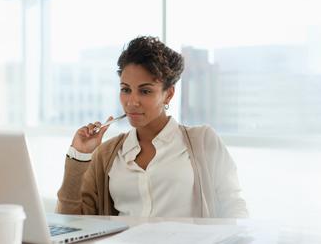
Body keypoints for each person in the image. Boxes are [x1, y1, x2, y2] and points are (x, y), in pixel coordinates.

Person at [56, 36, 248, 218]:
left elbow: (234, 207)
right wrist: (80, 155)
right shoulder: (107, 154)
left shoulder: (203, 140)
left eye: (145, 91)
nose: (132, 102)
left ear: (168, 94)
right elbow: (72, 222)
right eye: (125, 89)